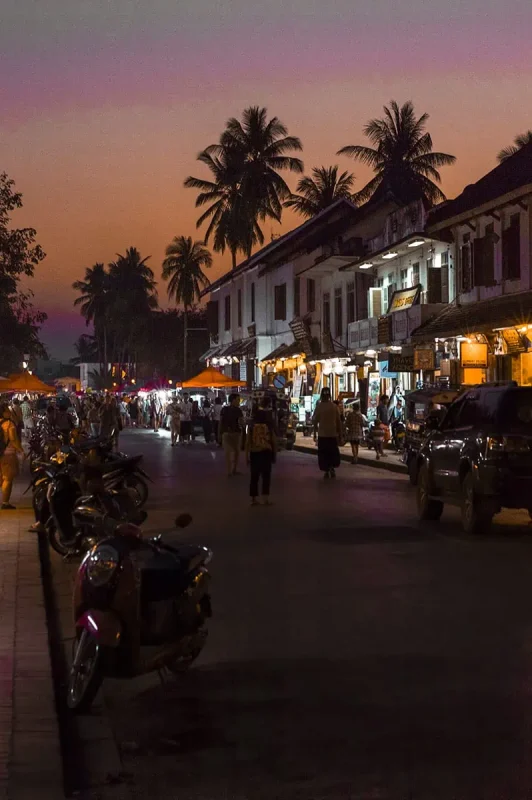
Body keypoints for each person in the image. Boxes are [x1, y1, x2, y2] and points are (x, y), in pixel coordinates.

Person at [246, 396, 277, 505]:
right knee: (266, 476)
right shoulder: (268, 425)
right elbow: (273, 440)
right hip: (266, 452)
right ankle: (265, 498)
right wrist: (274, 454)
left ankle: (254, 498)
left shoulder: (252, 426)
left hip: (254, 452)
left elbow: (248, 442)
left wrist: (246, 456)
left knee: (254, 476)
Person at [312, 387, 342, 479]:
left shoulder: (319, 407)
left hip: (322, 435)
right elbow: (338, 421)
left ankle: (326, 470)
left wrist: (314, 433)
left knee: (323, 454)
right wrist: (340, 434)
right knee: (332, 452)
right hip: (332, 434)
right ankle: (332, 467)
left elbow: (314, 421)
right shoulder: (334, 406)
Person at [0, 403, 26, 510]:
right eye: (7, 410)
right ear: (3, 412)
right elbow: (13, 439)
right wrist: (21, 450)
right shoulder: (9, 424)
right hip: (8, 454)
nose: (9, 412)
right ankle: (5, 503)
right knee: (8, 478)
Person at [219, 393, 243, 476]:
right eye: (238, 400)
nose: (239, 402)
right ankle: (233, 469)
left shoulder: (224, 409)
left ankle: (230, 471)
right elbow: (241, 422)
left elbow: (220, 422)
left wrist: (219, 433)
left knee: (228, 453)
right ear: (233, 400)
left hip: (226, 432)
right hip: (235, 433)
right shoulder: (238, 410)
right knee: (236, 452)